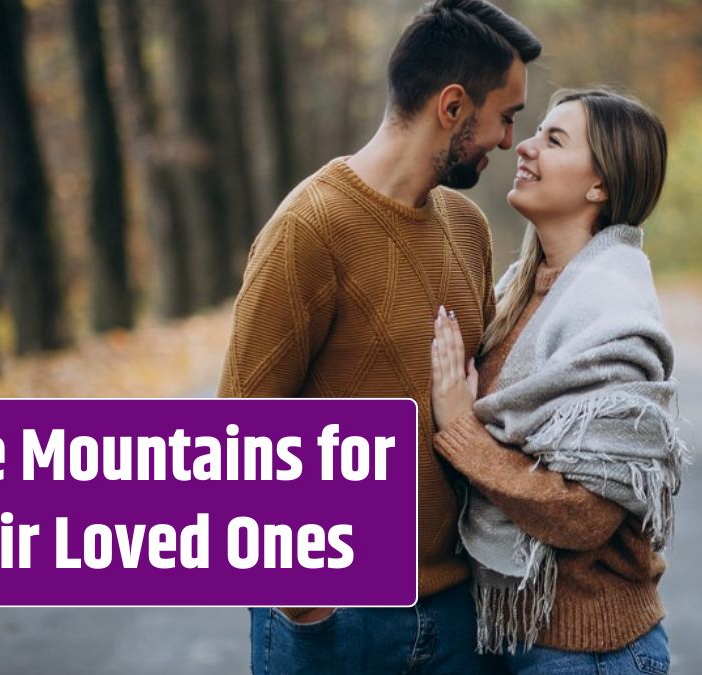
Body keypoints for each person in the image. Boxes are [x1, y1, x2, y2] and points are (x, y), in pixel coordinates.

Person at [216, 1, 541, 672]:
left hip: (457, 618)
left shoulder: (469, 228)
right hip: (339, 624)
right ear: (452, 107)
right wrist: (307, 604)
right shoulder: (310, 226)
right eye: (505, 117)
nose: (509, 142)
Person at [430, 88, 689, 674]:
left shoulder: (610, 315)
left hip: (590, 650)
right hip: (510, 635)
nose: (522, 146)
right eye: (535, 133)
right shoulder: (517, 290)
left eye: (554, 139)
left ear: (600, 184)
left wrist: (461, 429)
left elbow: (588, 513)